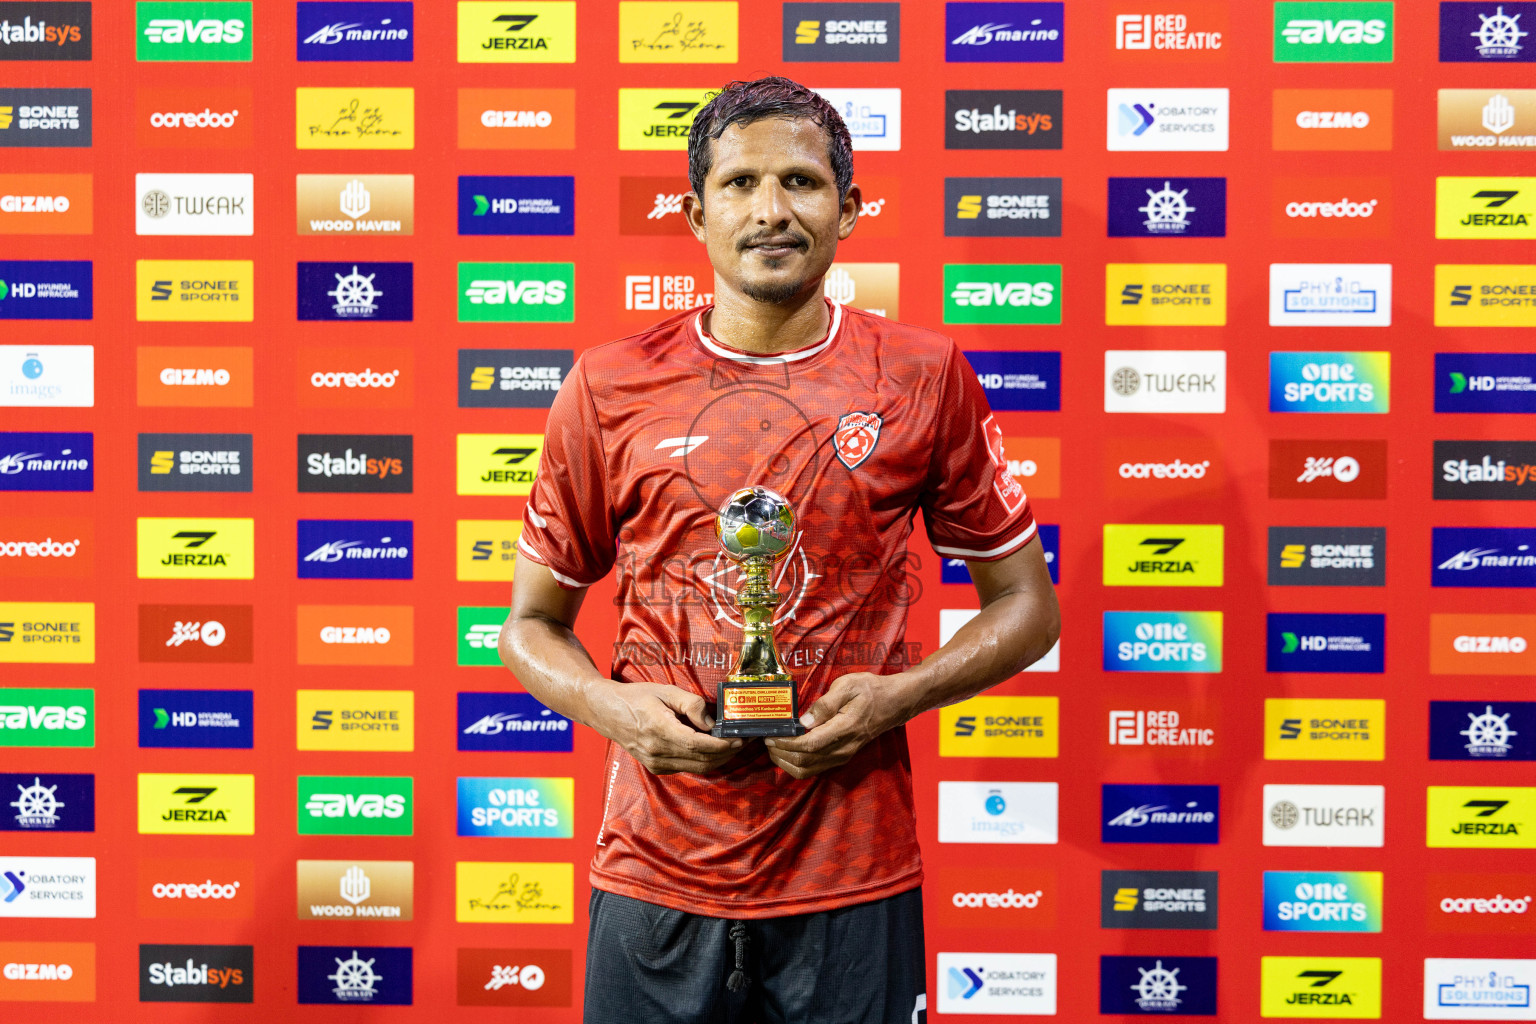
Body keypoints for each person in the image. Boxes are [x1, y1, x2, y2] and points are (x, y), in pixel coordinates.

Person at [500, 76, 1060, 1024]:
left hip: (852, 875)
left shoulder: (921, 376)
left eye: (801, 182)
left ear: (848, 207)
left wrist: (898, 695)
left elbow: (1029, 605)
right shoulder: (608, 385)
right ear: (694, 212)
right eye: (740, 183)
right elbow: (527, 626)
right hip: (654, 877)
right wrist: (613, 710)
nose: (771, 211)